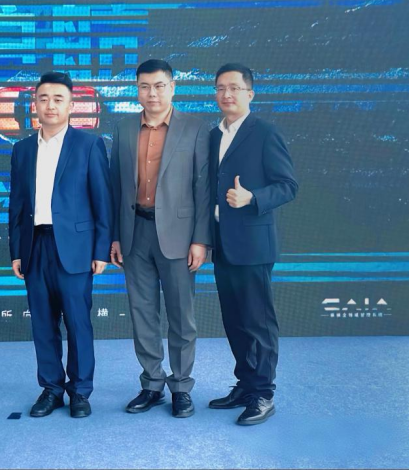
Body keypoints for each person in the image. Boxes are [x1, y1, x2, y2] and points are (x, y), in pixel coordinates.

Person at [110, 59, 210, 418]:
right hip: (134, 231)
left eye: (159, 86)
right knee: (142, 313)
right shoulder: (123, 128)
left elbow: (203, 188)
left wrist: (201, 240)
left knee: (181, 315)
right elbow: (115, 186)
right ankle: (152, 384)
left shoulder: (195, 128)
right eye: (144, 86)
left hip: (179, 237)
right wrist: (115, 237)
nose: (151, 93)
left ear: (172, 88)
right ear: (136, 89)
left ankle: (181, 387)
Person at [8, 71, 112, 419]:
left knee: (78, 323)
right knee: (42, 323)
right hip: (34, 246)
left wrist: (100, 250)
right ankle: (51, 388)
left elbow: (102, 201)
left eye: (58, 99)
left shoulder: (89, 145)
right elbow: (17, 204)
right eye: (43, 99)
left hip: (76, 248)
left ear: (70, 105)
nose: (50, 105)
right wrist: (16, 251)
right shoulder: (22, 149)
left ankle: (80, 391)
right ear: (34, 104)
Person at [208, 63, 298, 426]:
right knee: (234, 320)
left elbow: (288, 186)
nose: (226, 94)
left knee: (258, 322)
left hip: (254, 244)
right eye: (220, 88)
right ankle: (245, 384)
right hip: (222, 243)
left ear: (250, 93)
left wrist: (253, 198)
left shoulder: (265, 133)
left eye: (234, 88)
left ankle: (263, 393)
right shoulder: (213, 135)